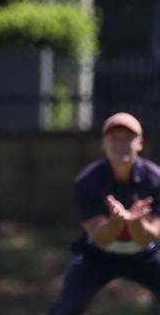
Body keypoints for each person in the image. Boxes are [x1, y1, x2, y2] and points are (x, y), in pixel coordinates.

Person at [48, 112, 160, 314]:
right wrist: (117, 221)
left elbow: (147, 238)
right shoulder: (87, 181)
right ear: (103, 143)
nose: (120, 144)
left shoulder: (156, 180)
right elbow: (102, 239)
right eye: (114, 138)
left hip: (147, 255)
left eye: (127, 138)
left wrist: (134, 222)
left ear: (140, 143)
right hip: (98, 255)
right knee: (68, 305)